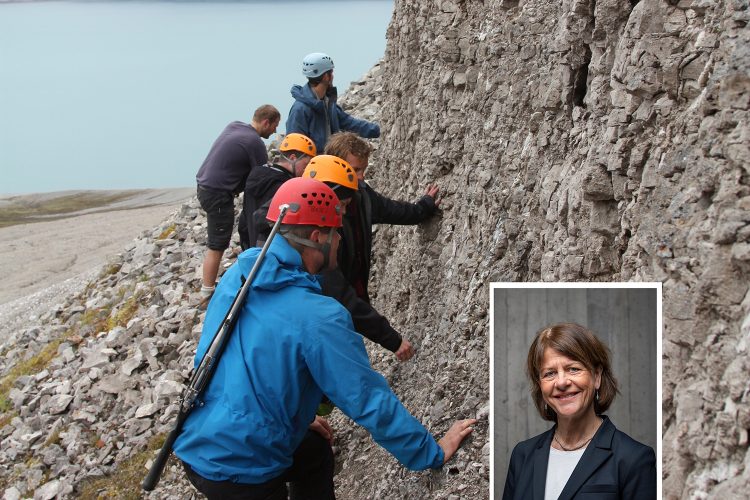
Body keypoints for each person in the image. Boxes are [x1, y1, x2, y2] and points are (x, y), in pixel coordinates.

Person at [173, 177, 476, 499]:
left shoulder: (240, 277)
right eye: (337, 232)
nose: (340, 240)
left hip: (195, 441)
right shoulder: (319, 317)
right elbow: (367, 399)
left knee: (314, 451)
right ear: (317, 238)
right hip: (245, 470)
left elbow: (215, 357)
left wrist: (298, 420)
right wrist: (431, 453)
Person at [502, 323, 656, 500]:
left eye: (573, 369)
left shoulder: (633, 458)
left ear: (596, 377)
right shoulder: (522, 456)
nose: (561, 382)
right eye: (550, 373)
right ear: (540, 385)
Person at [195, 104, 280, 307]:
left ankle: (208, 289)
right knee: (217, 244)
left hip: (204, 185)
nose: (275, 131)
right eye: (274, 126)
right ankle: (207, 294)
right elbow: (261, 177)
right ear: (266, 122)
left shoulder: (235, 126)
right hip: (217, 194)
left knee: (217, 242)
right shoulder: (254, 143)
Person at [287, 52, 380, 153]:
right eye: (331, 72)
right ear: (326, 76)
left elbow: (350, 123)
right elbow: (294, 148)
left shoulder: (327, 103)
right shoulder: (300, 109)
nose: (333, 76)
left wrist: (378, 130)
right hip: (313, 167)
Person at [238, 132, 316, 249]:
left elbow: (244, 222)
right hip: (273, 252)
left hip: (254, 250)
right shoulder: (286, 187)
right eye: (305, 165)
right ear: (293, 158)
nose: (306, 171)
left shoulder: (255, 176)